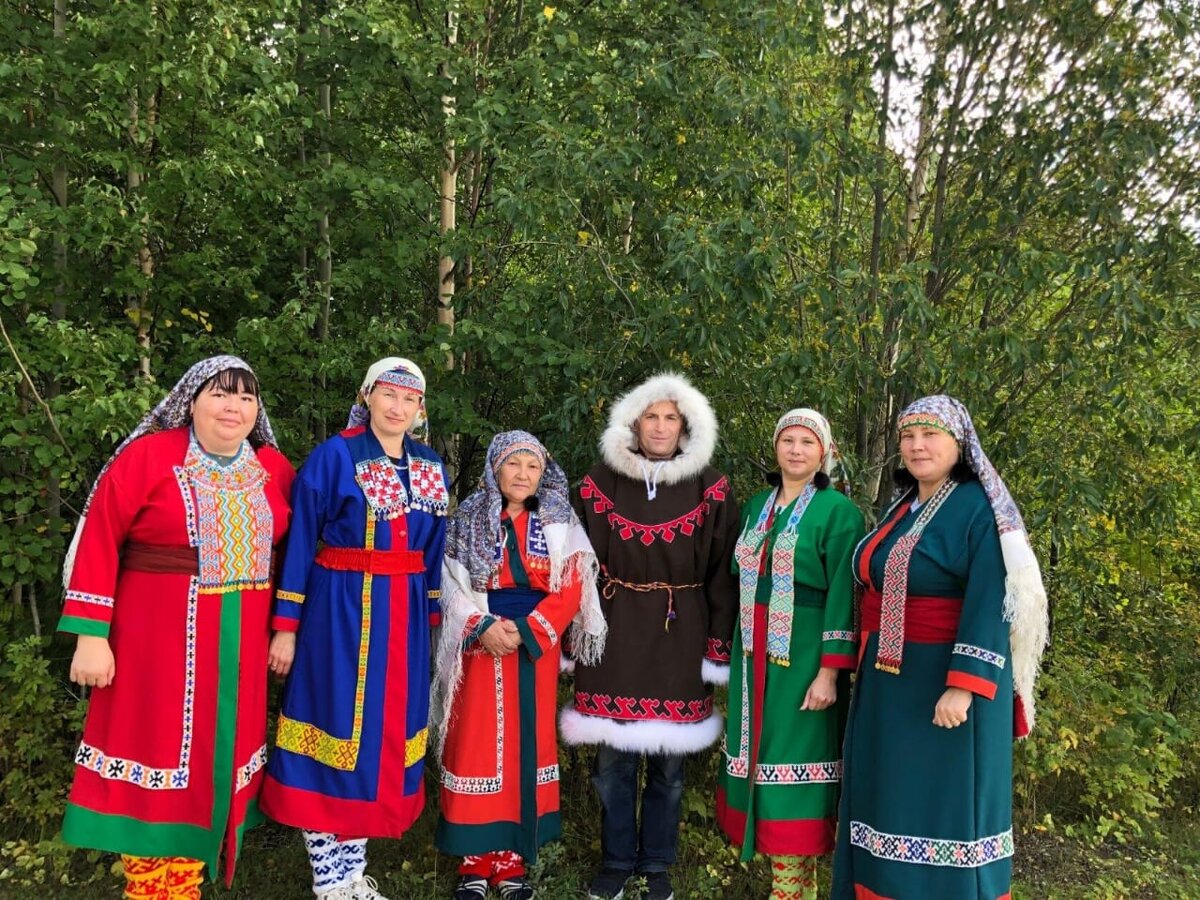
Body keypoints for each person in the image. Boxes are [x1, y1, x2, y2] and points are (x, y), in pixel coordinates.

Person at [59, 355, 295, 899]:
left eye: (245, 397)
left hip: (240, 646)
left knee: (213, 762)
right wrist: (92, 635)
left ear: (257, 410)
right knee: (157, 755)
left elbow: (299, 549)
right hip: (155, 641)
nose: (232, 407)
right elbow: (99, 540)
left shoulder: (273, 469)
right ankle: (149, 889)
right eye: (219, 394)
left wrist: (290, 625)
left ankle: (183, 883)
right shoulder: (148, 458)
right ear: (190, 401)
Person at [831, 395, 1048, 900]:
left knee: (944, 807)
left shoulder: (977, 508)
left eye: (930, 434)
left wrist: (964, 686)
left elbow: (990, 599)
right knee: (890, 799)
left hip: (944, 687)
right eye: (908, 436)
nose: (917, 445)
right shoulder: (905, 505)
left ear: (959, 444)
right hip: (890, 684)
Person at [260, 357, 449, 900]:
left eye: (409, 399)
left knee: (379, 740)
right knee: (335, 728)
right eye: (388, 395)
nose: (397, 407)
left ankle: (351, 874)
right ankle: (327, 878)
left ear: (419, 409)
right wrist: (286, 626)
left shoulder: (430, 464)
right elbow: (299, 545)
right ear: (367, 397)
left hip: (405, 619)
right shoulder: (334, 457)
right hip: (339, 613)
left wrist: (431, 625)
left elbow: (431, 553)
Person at [562, 372, 740, 900]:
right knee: (612, 762)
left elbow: (722, 574)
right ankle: (616, 862)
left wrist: (715, 647)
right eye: (651, 416)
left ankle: (656, 864)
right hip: (612, 635)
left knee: (669, 765)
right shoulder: (597, 483)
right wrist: (578, 639)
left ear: (685, 426)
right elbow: (576, 568)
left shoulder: (711, 488)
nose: (660, 426)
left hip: (680, 632)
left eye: (670, 417)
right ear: (633, 422)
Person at [433, 431, 607, 900]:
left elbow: (572, 586)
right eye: (514, 465)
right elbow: (448, 580)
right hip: (478, 641)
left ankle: (510, 864)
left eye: (532, 467)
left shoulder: (558, 520)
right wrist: (480, 624)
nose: (523, 475)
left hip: (534, 644)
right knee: (474, 743)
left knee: (525, 744)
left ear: (543, 473)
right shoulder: (467, 516)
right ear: (494, 468)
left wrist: (528, 630)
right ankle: (475, 861)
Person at [716, 409, 865, 900]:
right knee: (757, 756)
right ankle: (794, 887)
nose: (796, 450)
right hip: (753, 652)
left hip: (802, 655)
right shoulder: (759, 504)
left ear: (824, 453)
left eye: (807, 442)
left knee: (793, 760)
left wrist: (828, 673)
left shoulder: (837, 511)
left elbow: (845, 592)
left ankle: (790, 890)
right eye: (788, 440)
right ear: (776, 447)